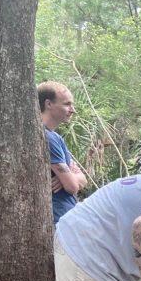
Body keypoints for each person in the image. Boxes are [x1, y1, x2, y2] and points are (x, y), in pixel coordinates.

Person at [37, 81, 87, 224]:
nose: (73, 109)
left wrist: (68, 177)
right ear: (48, 104)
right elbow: (72, 187)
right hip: (58, 219)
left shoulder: (56, 137)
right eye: (67, 104)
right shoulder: (48, 137)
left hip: (65, 216)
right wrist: (70, 178)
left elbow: (83, 179)